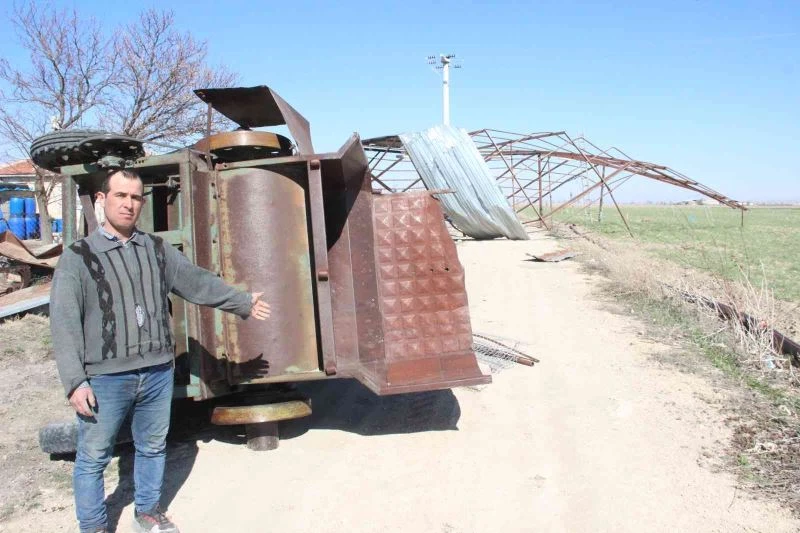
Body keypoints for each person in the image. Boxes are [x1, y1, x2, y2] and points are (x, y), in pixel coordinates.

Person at [50, 169, 271, 533]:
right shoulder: (78, 257)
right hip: (105, 378)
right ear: (102, 199)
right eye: (120, 195)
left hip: (156, 371)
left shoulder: (156, 249)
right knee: (93, 457)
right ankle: (93, 526)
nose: (129, 204)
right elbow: (64, 322)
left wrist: (241, 301)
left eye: (136, 197)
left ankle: (148, 513)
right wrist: (75, 382)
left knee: (152, 447)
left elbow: (196, 282)